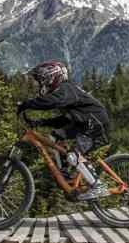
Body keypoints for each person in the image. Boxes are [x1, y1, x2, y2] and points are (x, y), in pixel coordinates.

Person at [16, 61, 111, 201]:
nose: (40, 83)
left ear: (52, 77)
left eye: (41, 79)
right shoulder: (64, 92)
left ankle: (99, 186)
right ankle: (66, 175)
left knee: (73, 155)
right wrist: (40, 122)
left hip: (96, 123)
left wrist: (26, 104)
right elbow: (64, 120)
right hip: (84, 123)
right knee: (54, 137)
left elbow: (51, 102)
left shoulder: (66, 89)